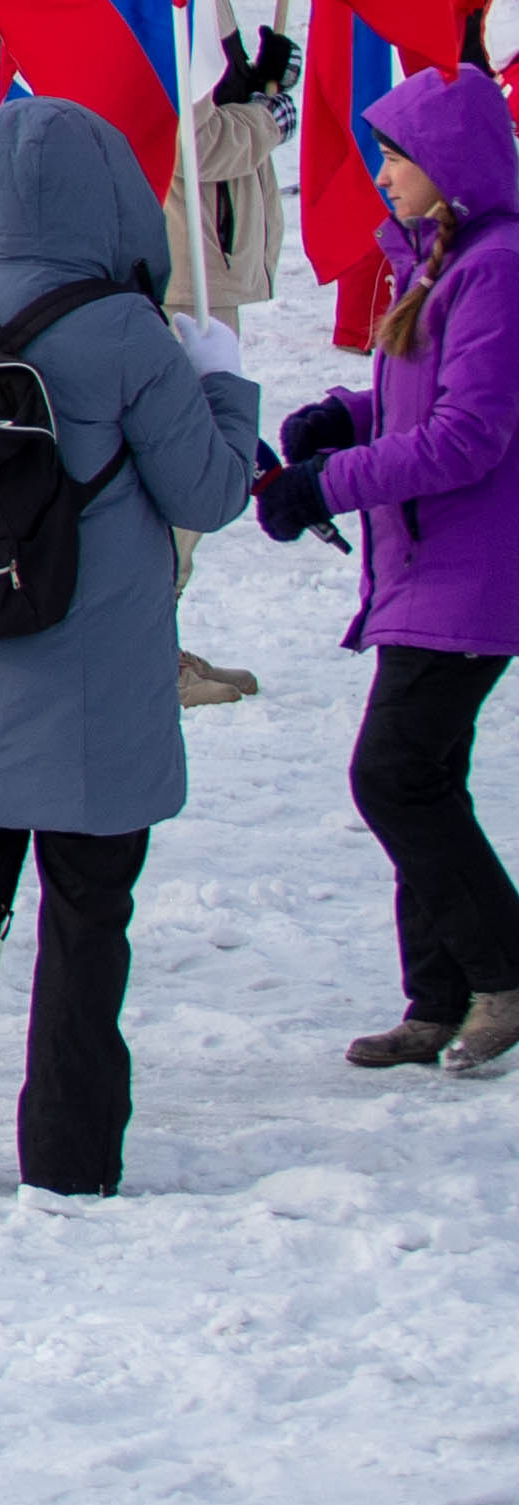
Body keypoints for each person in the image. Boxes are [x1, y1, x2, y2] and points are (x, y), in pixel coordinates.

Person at [0, 97, 266, 1193]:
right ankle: (71, 1159)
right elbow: (211, 489)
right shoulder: (126, 327)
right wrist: (222, 377)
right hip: (97, 682)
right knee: (87, 922)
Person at [260, 65, 519, 1070]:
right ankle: (439, 995)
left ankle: (501, 969)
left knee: (396, 775)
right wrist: (344, 413)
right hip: (428, 564)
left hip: (473, 564)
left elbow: (467, 435)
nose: (379, 173)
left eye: (396, 156)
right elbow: (422, 395)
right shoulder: (442, 258)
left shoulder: (495, 265)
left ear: (447, 167)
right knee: (423, 775)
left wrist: (327, 483)